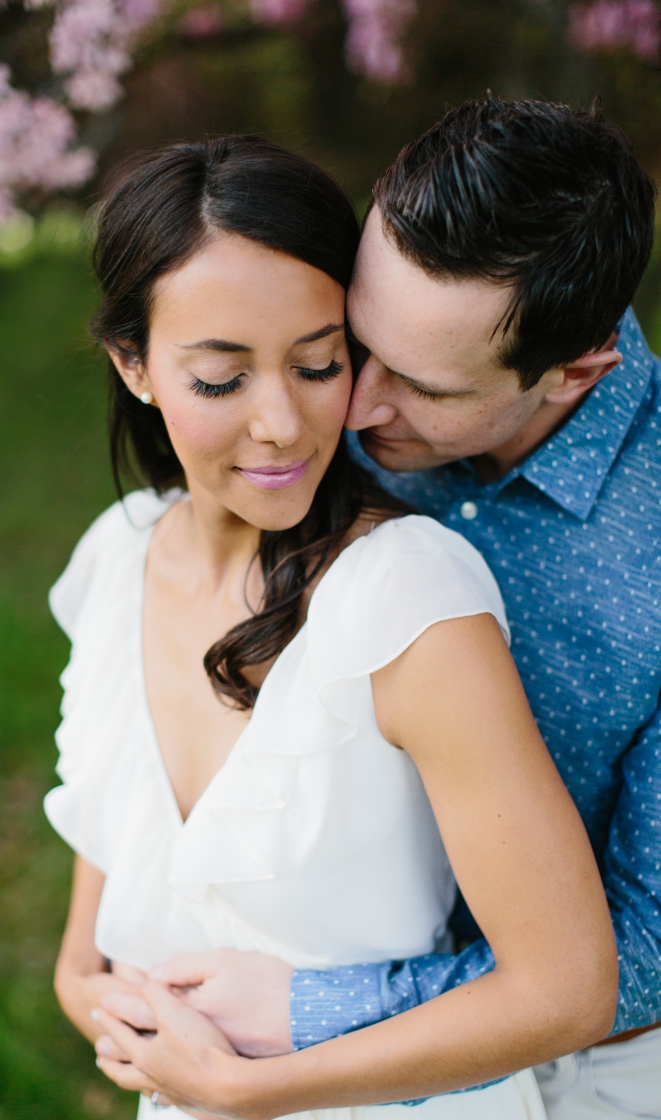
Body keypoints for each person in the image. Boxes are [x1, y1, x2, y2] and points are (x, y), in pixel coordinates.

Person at [93, 98, 661, 1120]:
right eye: (350, 349)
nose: (347, 412)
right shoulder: (314, 433)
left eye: (420, 387)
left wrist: (309, 1013)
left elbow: (638, 947)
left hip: (608, 1070)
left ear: (573, 372)